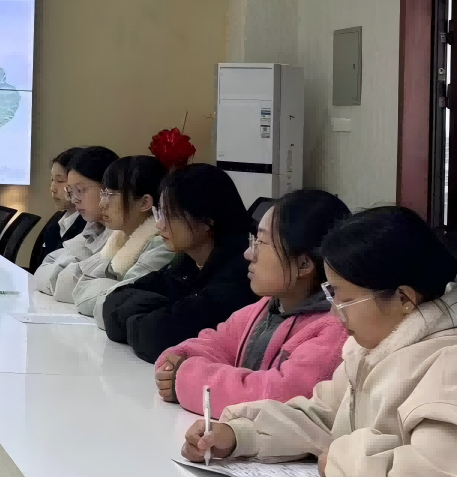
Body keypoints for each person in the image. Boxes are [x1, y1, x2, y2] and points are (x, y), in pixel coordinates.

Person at [184, 206, 457, 477]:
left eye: (345, 298)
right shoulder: (377, 347)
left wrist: (341, 463)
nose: (334, 312)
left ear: (404, 298)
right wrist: (238, 434)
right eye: (332, 294)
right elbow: (323, 416)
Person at [155, 188, 349, 417]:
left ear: (304, 264)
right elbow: (216, 344)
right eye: (253, 240)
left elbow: (276, 397)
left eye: (261, 242)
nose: (248, 253)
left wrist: (185, 378)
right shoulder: (268, 306)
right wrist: (177, 361)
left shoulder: (335, 328)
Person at [102, 163, 256, 362]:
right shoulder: (188, 262)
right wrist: (161, 309)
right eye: (160, 213)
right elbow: (113, 304)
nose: (160, 225)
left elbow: (157, 338)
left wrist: (147, 315)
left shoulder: (241, 272)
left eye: (170, 215)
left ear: (207, 220)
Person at [61, 155, 174, 326]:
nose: (102, 204)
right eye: (103, 193)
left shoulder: (161, 247)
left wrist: (102, 289)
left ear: (144, 202)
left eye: (110, 195)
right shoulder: (118, 240)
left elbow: (113, 308)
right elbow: (67, 283)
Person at [31, 146, 118, 295]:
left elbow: (68, 285)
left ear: (108, 188)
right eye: (71, 191)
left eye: (80, 190)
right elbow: (44, 268)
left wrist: (58, 278)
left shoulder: (123, 236)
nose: (74, 199)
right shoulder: (93, 229)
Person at [26, 148, 86, 273]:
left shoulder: (86, 227)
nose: (52, 188)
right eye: (52, 180)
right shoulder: (58, 222)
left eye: (60, 181)